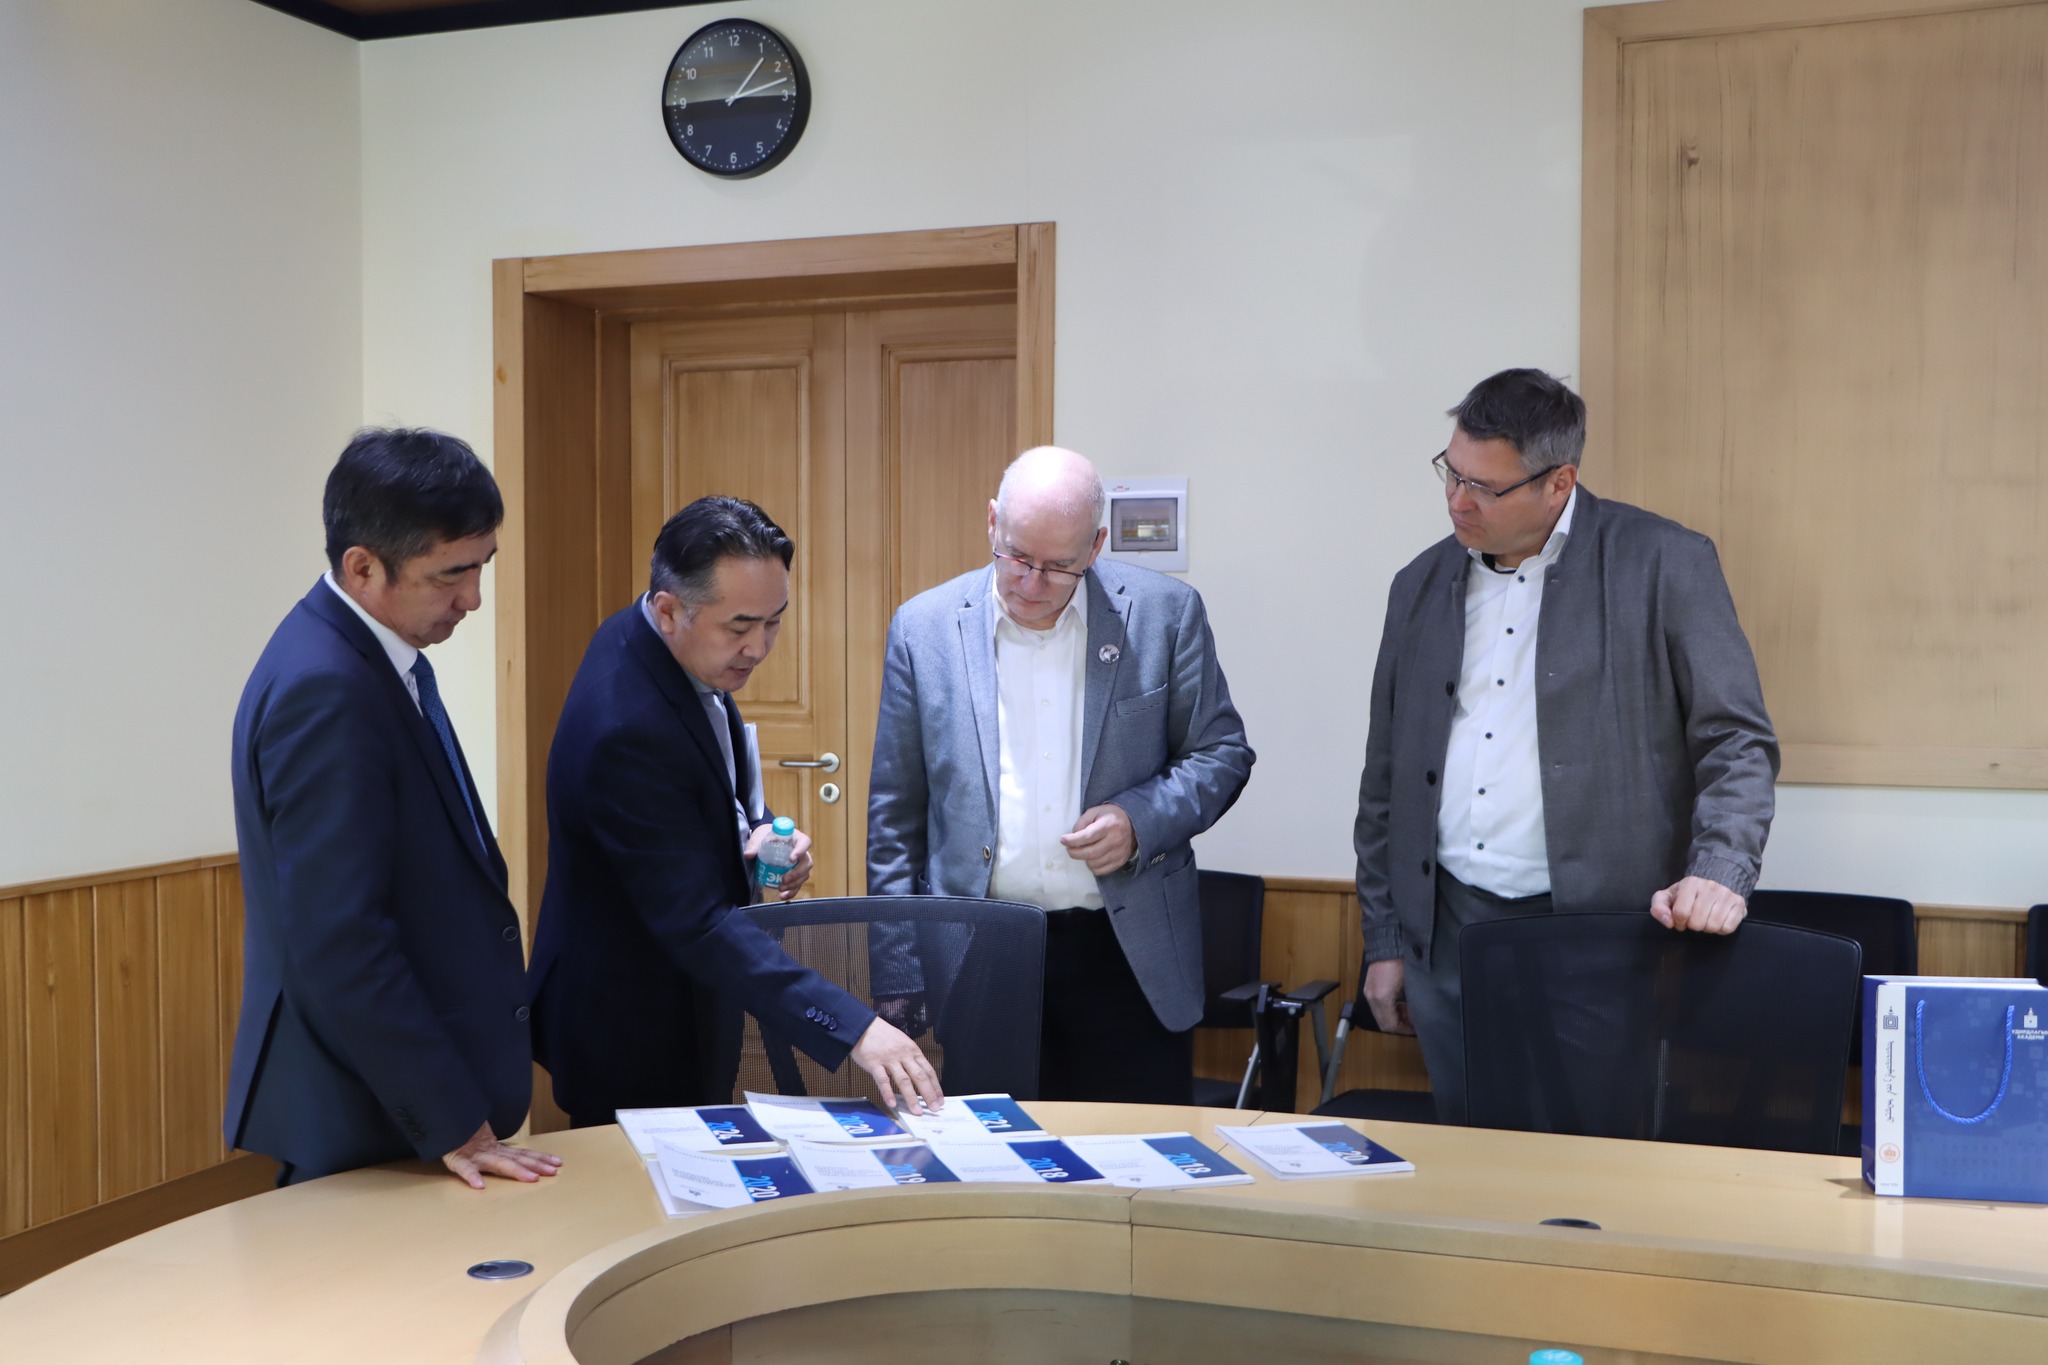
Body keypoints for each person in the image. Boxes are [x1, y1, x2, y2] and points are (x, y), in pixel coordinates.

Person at [1354, 369, 1779, 1124]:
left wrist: (1721, 868)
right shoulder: (1417, 584)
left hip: (1599, 934)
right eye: (1452, 473)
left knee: (1592, 1155)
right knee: (1469, 1146)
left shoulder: (1663, 563)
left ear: (1560, 483)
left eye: (1485, 487)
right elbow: (1386, 777)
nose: (1457, 501)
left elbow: (1736, 739)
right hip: (1448, 930)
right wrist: (1386, 938)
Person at [529, 496, 942, 1124]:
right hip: (628, 1021)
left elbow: (705, 780)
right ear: (669, 610)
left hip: (682, 992)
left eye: (774, 622)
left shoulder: (660, 644)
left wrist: (760, 830)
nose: (759, 647)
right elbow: (697, 925)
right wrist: (856, 1028)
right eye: (740, 626)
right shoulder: (625, 728)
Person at [225, 428, 560, 1188]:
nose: (473, 599)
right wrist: (452, 1119)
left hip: (397, 1105)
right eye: (450, 575)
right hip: (366, 1111)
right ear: (363, 566)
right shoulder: (327, 686)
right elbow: (341, 939)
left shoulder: (373, 655)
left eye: (482, 566)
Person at [867, 447, 1254, 1103]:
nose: (1031, 582)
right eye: (1017, 556)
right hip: (981, 952)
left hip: (1124, 953)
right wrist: (897, 967)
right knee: (994, 1152)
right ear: (993, 521)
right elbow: (895, 813)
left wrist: (1139, 821)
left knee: (1132, 1153)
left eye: (1058, 566)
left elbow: (1222, 752)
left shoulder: (1164, 614)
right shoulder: (922, 629)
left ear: (1096, 546)